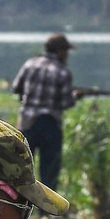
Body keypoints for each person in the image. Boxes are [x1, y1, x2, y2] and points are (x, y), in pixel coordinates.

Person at [10, 33, 83, 192]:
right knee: (49, 168)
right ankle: (47, 212)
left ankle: (19, 209)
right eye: (66, 51)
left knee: (23, 168)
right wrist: (75, 96)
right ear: (59, 51)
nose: (67, 55)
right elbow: (65, 102)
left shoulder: (29, 64)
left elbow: (16, 88)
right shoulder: (62, 71)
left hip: (27, 123)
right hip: (49, 124)